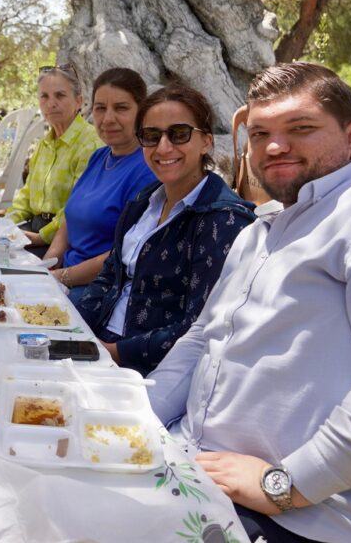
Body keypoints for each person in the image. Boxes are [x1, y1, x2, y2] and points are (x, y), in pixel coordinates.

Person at [148, 62, 351, 543]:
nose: (274, 146)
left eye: (300, 128)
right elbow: (203, 339)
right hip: (193, 468)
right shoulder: (259, 230)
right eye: (260, 132)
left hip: (305, 515)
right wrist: (135, 417)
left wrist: (286, 485)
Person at [75, 84, 254, 376]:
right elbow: (109, 278)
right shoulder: (144, 202)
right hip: (99, 341)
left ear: (206, 142)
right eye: (151, 136)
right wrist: (73, 330)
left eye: (179, 134)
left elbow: (199, 324)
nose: (163, 147)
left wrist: (113, 353)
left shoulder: (222, 220)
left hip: (150, 368)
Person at [46, 68, 157, 304]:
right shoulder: (100, 156)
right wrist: (46, 265)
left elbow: (123, 254)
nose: (108, 119)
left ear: (142, 111)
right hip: (62, 274)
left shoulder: (147, 170)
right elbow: (68, 219)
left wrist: (60, 277)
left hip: (99, 290)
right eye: (100, 108)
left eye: (121, 108)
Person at [6, 65, 102, 257]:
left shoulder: (90, 144)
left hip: (63, 240)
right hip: (32, 228)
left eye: (60, 95)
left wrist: (40, 236)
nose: (51, 104)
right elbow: (27, 194)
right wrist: (7, 222)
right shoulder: (45, 143)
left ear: (79, 101)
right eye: (45, 96)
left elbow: (76, 208)